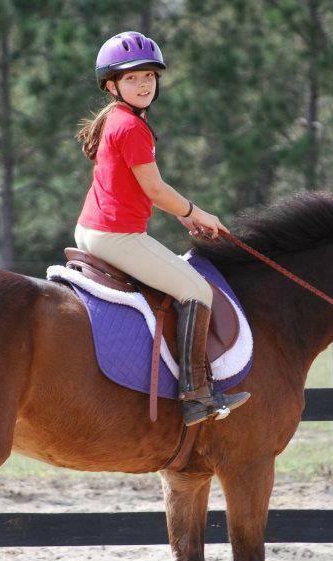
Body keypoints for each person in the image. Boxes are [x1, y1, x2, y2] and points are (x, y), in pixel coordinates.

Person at [74, 30, 249, 427]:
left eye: (149, 77)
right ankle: (196, 396)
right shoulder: (131, 127)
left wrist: (183, 215)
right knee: (197, 290)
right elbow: (154, 189)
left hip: (91, 230)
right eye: (132, 78)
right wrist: (197, 212)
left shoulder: (117, 119)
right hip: (116, 236)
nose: (143, 85)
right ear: (111, 84)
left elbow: (139, 188)